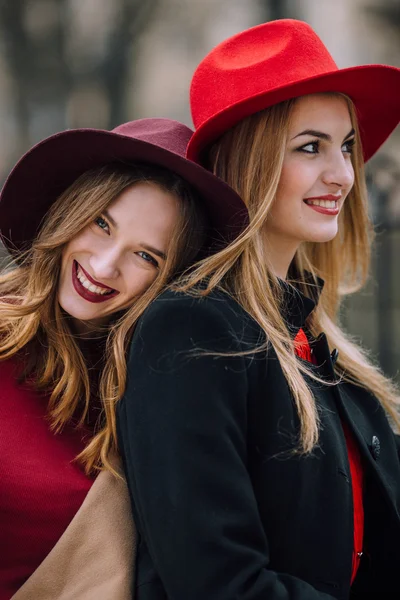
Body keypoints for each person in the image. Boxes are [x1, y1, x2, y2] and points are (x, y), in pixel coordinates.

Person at [117, 20, 400, 600]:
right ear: (249, 161)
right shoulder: (192, 328)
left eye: (346, 145)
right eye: (310, 147)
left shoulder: (319, 345)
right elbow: (216, 581)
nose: (342, 175)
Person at [0, 117, 247, 600]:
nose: (104, 265)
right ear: (72, 211)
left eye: (146, 256)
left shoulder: (164, 387)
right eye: (102, 224)